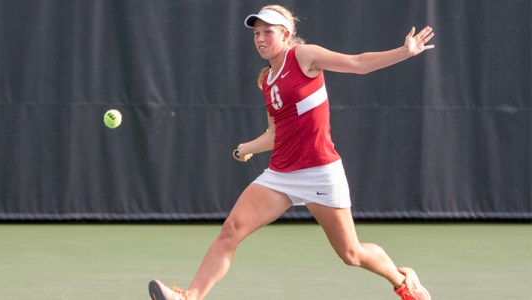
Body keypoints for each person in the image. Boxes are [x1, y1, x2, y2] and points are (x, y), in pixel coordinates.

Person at [149, 4, 435, 300]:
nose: (260, 38)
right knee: (231, 230)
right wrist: (246, 149)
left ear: (286, 34)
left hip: (320, 171)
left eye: (268, 32)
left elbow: (358, 63)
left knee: (351, 253)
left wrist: (404, 52)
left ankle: (403, 280)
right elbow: (275, 134)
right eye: (257, 33)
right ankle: (189, 297)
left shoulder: (303, 56)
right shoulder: (267, 80)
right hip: (281, 174)